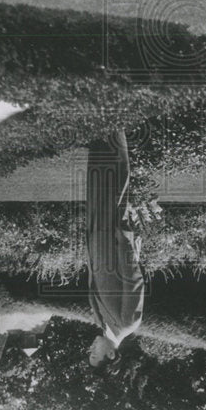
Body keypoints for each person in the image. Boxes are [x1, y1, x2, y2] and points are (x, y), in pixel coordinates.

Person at [85, 130, 146, 371]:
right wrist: (124, 239)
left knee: (98, 180)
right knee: (116, 183)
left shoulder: (101, 322)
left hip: (97, 233)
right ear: (110, 355)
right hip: (113, 234)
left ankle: (97, 135)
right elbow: (133, 278)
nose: (91, 349)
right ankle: (114, 128)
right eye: (94, 355)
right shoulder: (128, 323)